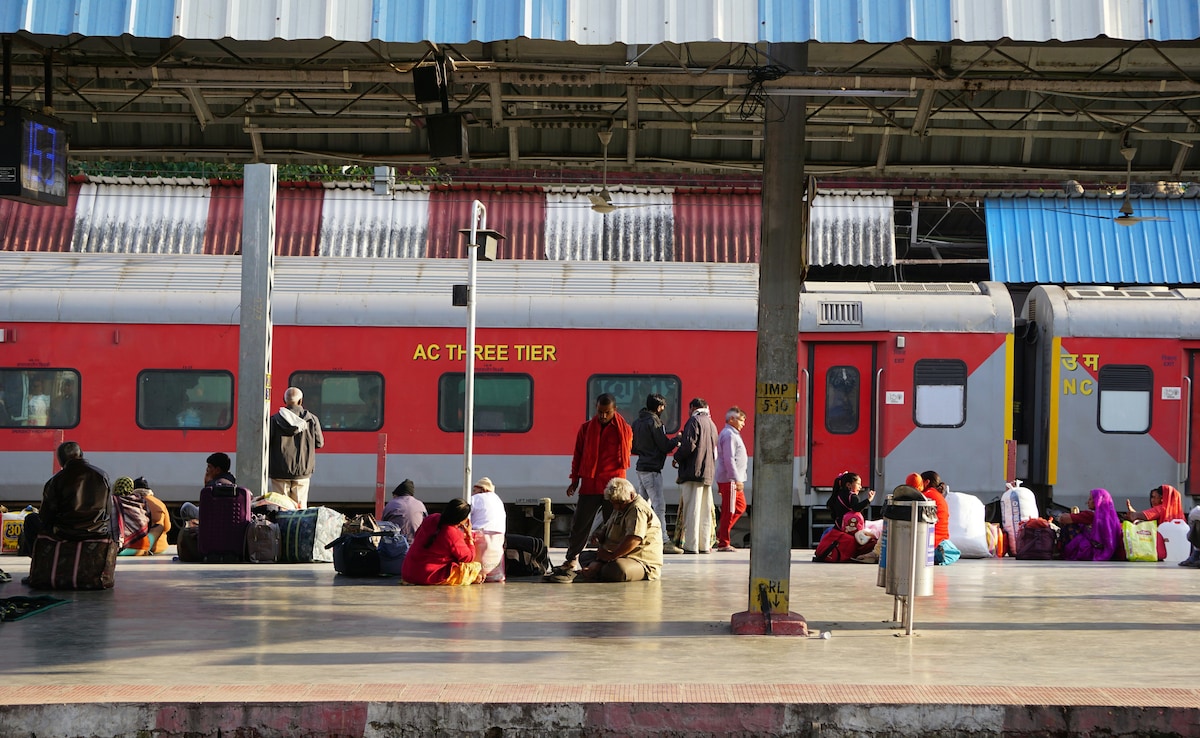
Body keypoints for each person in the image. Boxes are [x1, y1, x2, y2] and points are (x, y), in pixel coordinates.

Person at [551, 393, 633, 577]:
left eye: (607, 412)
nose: (603, 416)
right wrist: (574, 480)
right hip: (590, 483)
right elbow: (578, 455)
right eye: (600, 412)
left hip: (613, 487)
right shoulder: (586, 429)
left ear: (614, 410)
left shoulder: (624, 430)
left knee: (613, 526)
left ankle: (608, 559)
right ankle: (572, 558)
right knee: (580, 524)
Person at [548, 478, 663, 583]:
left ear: (631, 496)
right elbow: (607, 528)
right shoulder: (620, 504)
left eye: (620, 504)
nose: (617, 507)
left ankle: (596, 569)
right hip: (616, 555)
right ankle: (597, 568)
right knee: (584, 556)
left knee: (617, 569)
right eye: (614, 503)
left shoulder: (637, 509)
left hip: (640, 560)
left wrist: (611, 556)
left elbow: (634, 538)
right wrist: (600, 536)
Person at [631, 393, 682, 554]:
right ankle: (664, 540)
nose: (663, 410)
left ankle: (640, 535)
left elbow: (633, 447)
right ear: (658, 407)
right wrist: (677, 439)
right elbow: (664, 445)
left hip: (641, 467)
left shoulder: (638, 422)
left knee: (642, 505)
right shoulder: (654, 421)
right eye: (663, 407)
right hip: (652, 469)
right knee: (659, 505)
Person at [673, 397, 719, 554]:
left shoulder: (694, 421)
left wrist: (676, 457)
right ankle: (704, 545)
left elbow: (689, 445)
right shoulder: (712, 424)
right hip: (707, 474)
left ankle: (691, 545)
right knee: (704, 510)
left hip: (692, 472)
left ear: (692, 407)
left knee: (691, 509)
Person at [400, 499, 483, 586]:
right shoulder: (452, 532)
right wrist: (469, 536)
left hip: (408, 572)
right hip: (426, 576)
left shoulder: (431, 518)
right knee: (475, 567)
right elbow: (468, 557)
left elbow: (418, 535)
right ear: (462, 519)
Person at [268, 387, 325, 508]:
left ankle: (282, 527)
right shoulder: (312, 420)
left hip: (279, 471)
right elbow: (319, 443)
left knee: (281, 507)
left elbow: (267, 443)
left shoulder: (273, 420)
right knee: (299, 508)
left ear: (285, 400)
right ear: (301, 401)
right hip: (302, 471)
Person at [715, 406, 748, 552]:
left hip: (732, 479)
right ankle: (723, 542)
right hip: (730, 480)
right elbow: (729, 459)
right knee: (729, 510)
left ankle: (720, 535)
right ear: (732, 419)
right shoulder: (729, 435)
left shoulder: (732, 434)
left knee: (740, 507)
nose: (743, 423)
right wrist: (736, 479)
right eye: (741, 420)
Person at [1056, 488, 1122, 562]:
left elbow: (1064, 519)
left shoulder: (1091, 515)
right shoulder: (1114, 518)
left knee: (1069, 526)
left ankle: (1063, 553)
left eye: (1090, 499)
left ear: (1097, 501)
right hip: (1109, 553)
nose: (1087, 502)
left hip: (1092, 552)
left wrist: (1062, 517)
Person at [470, 477, 506, 582]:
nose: (472, 493)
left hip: (481, 536)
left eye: (474, 490)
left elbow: (465, 517)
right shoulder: (498, 500)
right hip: (498, 537)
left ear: (482, 489)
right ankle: (495, 575)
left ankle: (476, 575)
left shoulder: (475, 499)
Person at [381, 479, 426, 543]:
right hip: (416, 544)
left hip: (396, 545)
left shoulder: (391, 504)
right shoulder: (420, 505)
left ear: (396, 495)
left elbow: (383, 525)